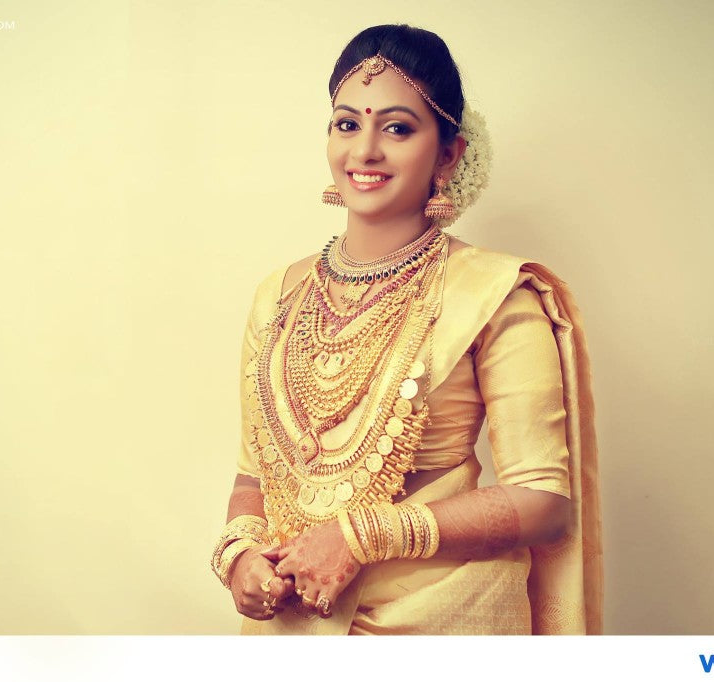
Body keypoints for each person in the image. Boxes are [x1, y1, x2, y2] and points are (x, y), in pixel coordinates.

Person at [211, 24, 602, 635]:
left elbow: (545, 503)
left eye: (397, 127)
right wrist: (239, 553)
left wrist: (360, 535)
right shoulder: (279, 295)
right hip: (292, 630)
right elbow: (254, 473)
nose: (364, 151)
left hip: (444, 626)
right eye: (346, 124)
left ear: (449, 153)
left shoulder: (495, 295)